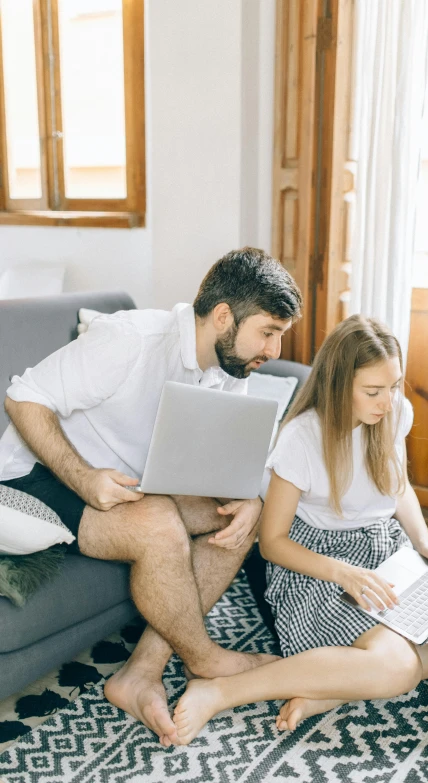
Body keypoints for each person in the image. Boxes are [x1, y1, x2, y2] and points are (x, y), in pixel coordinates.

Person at [0, 247, 302, 748]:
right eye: (267, 332)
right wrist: (84, 477)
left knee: (237, 517)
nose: (271, 349)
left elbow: (226, 461)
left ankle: (139, 674)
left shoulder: (231, 367)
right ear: (224, 317)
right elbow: (24, 397)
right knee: (160, 523)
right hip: (40, 474)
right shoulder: (131, 339)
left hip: (130, 484)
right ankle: (204, 657)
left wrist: (249, 497)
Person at [169, 314, 428, 745]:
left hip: (387, 555)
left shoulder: (394, 415)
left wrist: (424, 541)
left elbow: (399, 488)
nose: (388, 401)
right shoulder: (303, 437)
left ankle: (334, 685)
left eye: (394, 387)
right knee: (398, 667)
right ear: (339, 385)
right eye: (374, 391)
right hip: (318, 568)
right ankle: (221, 691)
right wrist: (343, 573)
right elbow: (272, 544)